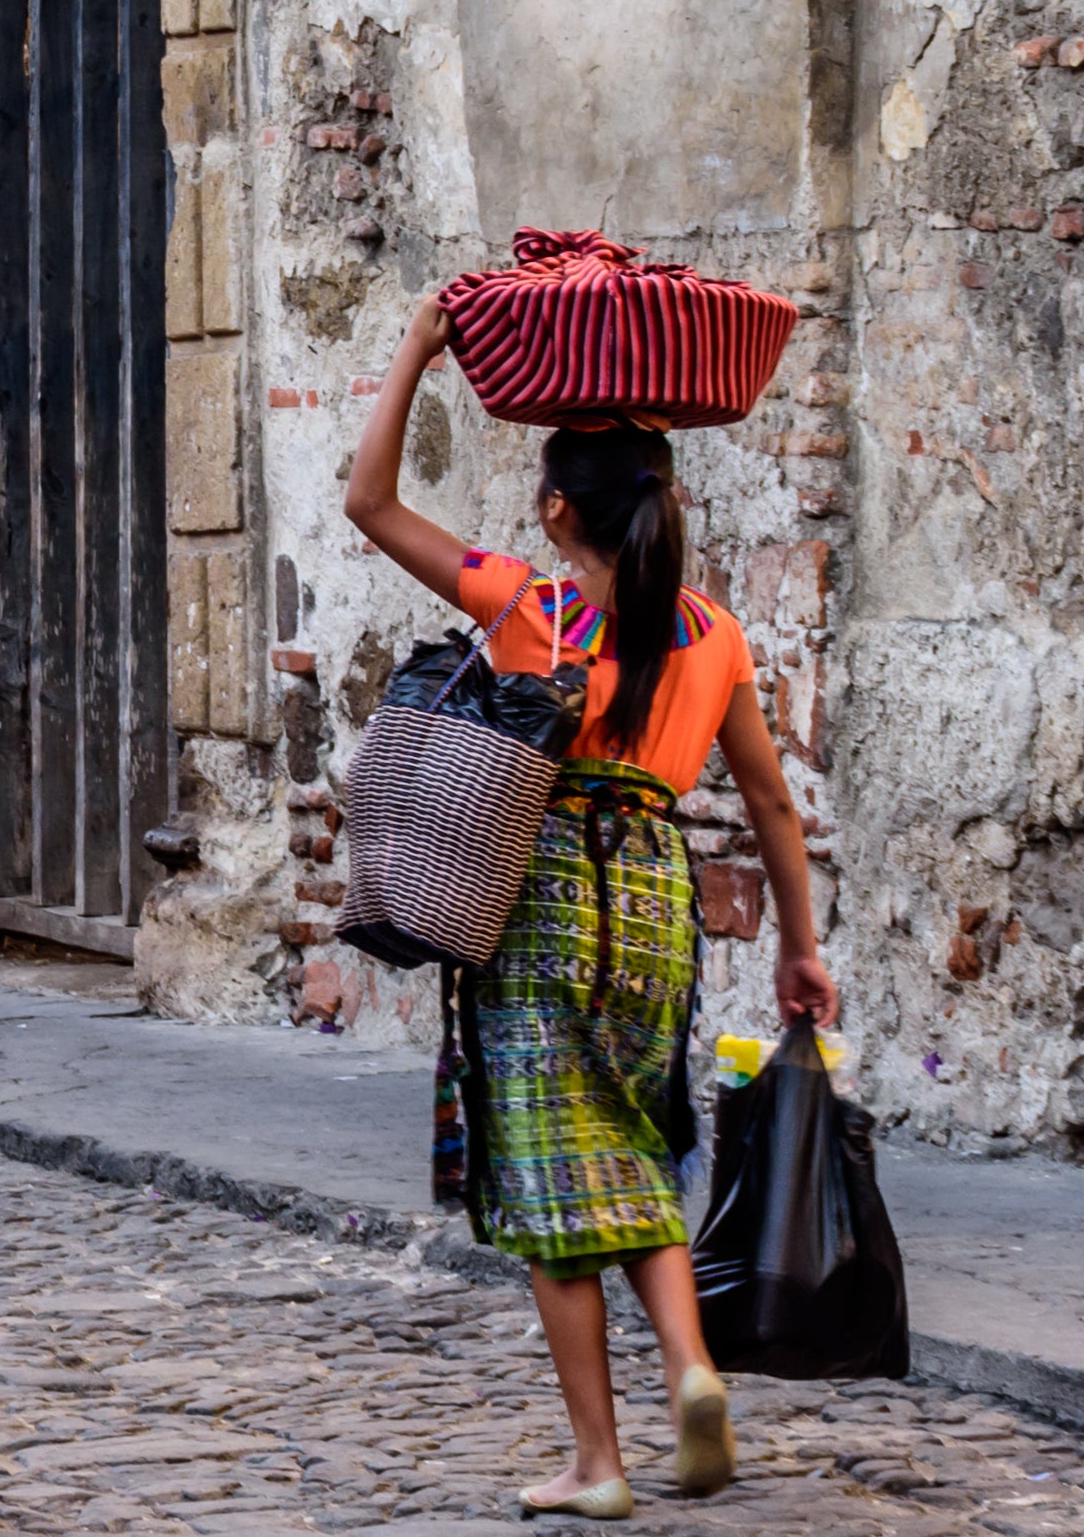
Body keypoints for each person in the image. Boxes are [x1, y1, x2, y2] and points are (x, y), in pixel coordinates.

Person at [344, 289, 833, 1518]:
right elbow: (772, 808)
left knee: (551, 1187)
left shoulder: (528, 604)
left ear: (559, 509)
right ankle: (688, 1372)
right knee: (630, 1149)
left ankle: (597, 1464)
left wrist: (415, 346)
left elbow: (368, 504)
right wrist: (797, 950)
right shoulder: (713, 634)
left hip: (542, 892)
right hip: (657, 900)